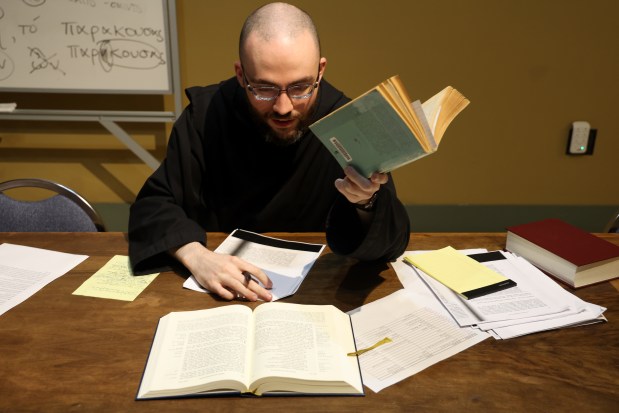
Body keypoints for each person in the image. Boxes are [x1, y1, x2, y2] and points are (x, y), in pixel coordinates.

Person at [128, 2, 410, 302]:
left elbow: (390, 242)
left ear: (320, 69)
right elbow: (154, 205)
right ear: (240, 74)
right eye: (264, 89)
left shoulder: (349, 123)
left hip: (318, 294)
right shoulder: (206, 115)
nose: (283, 107)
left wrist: (365, 204)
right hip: (218, 293)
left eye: (301, 87)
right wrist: (197, 256)